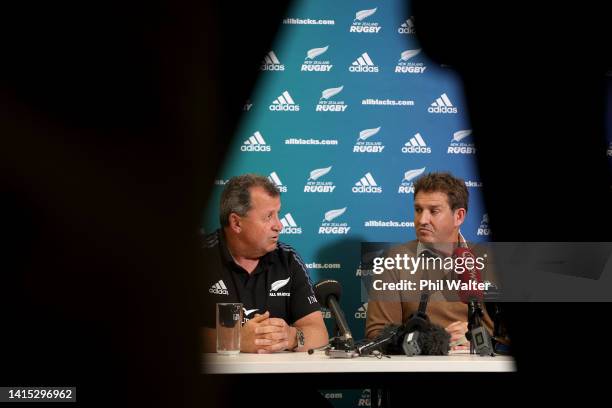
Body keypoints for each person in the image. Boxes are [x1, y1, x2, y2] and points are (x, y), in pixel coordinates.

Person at [365, 172, 494, 349]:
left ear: (459, 216)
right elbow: (378, 333)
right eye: (418, 210)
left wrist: (479, 336)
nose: (422, 220)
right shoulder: (394, 260)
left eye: (434, 211)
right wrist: (434, 341)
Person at [201, 174, 328, 353]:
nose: (279, 225)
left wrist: (291, 337)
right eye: (269, 216)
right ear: (236, 223)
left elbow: (319, 333)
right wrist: (234, 339)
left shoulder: (288, 259)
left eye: (278, 214)